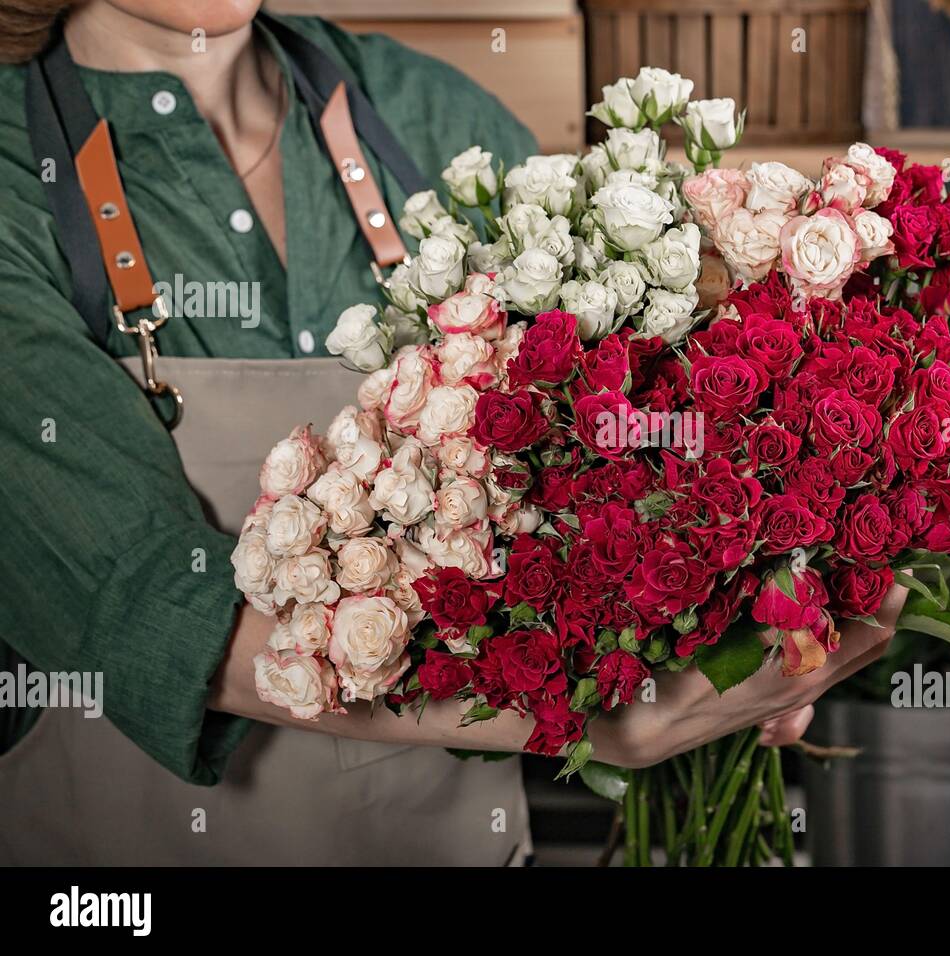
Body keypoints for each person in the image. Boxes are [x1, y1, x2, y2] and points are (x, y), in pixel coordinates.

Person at [0, 0, 903, 865]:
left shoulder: (419, 110)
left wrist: (734, 633)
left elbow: (604, 462)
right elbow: (131, 597)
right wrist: (584, 718)